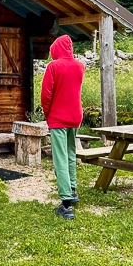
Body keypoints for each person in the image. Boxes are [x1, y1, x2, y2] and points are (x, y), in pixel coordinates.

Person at [40, 35, 85, 220]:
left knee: (60, 158)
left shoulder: (53, 66)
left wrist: (47, 114)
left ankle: (66, 204)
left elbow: (46, 94)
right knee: (70, 154)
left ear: (56, 49)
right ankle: (72, 191)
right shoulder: (80, 66)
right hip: (75, 116)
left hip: (58, 117)